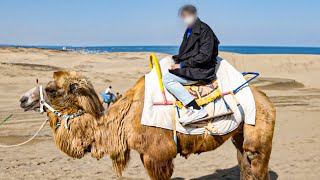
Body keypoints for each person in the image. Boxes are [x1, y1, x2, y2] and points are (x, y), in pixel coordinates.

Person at [163, 5, 220, 123]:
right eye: (183, 16)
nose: (185, 18)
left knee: (168, 79)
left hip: (202, 70)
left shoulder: (205, 30)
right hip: (193, 67)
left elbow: (205, 56)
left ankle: (195, 108)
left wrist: (182, 65)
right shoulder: (190, 30)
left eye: (187, 15)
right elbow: (188, 52)